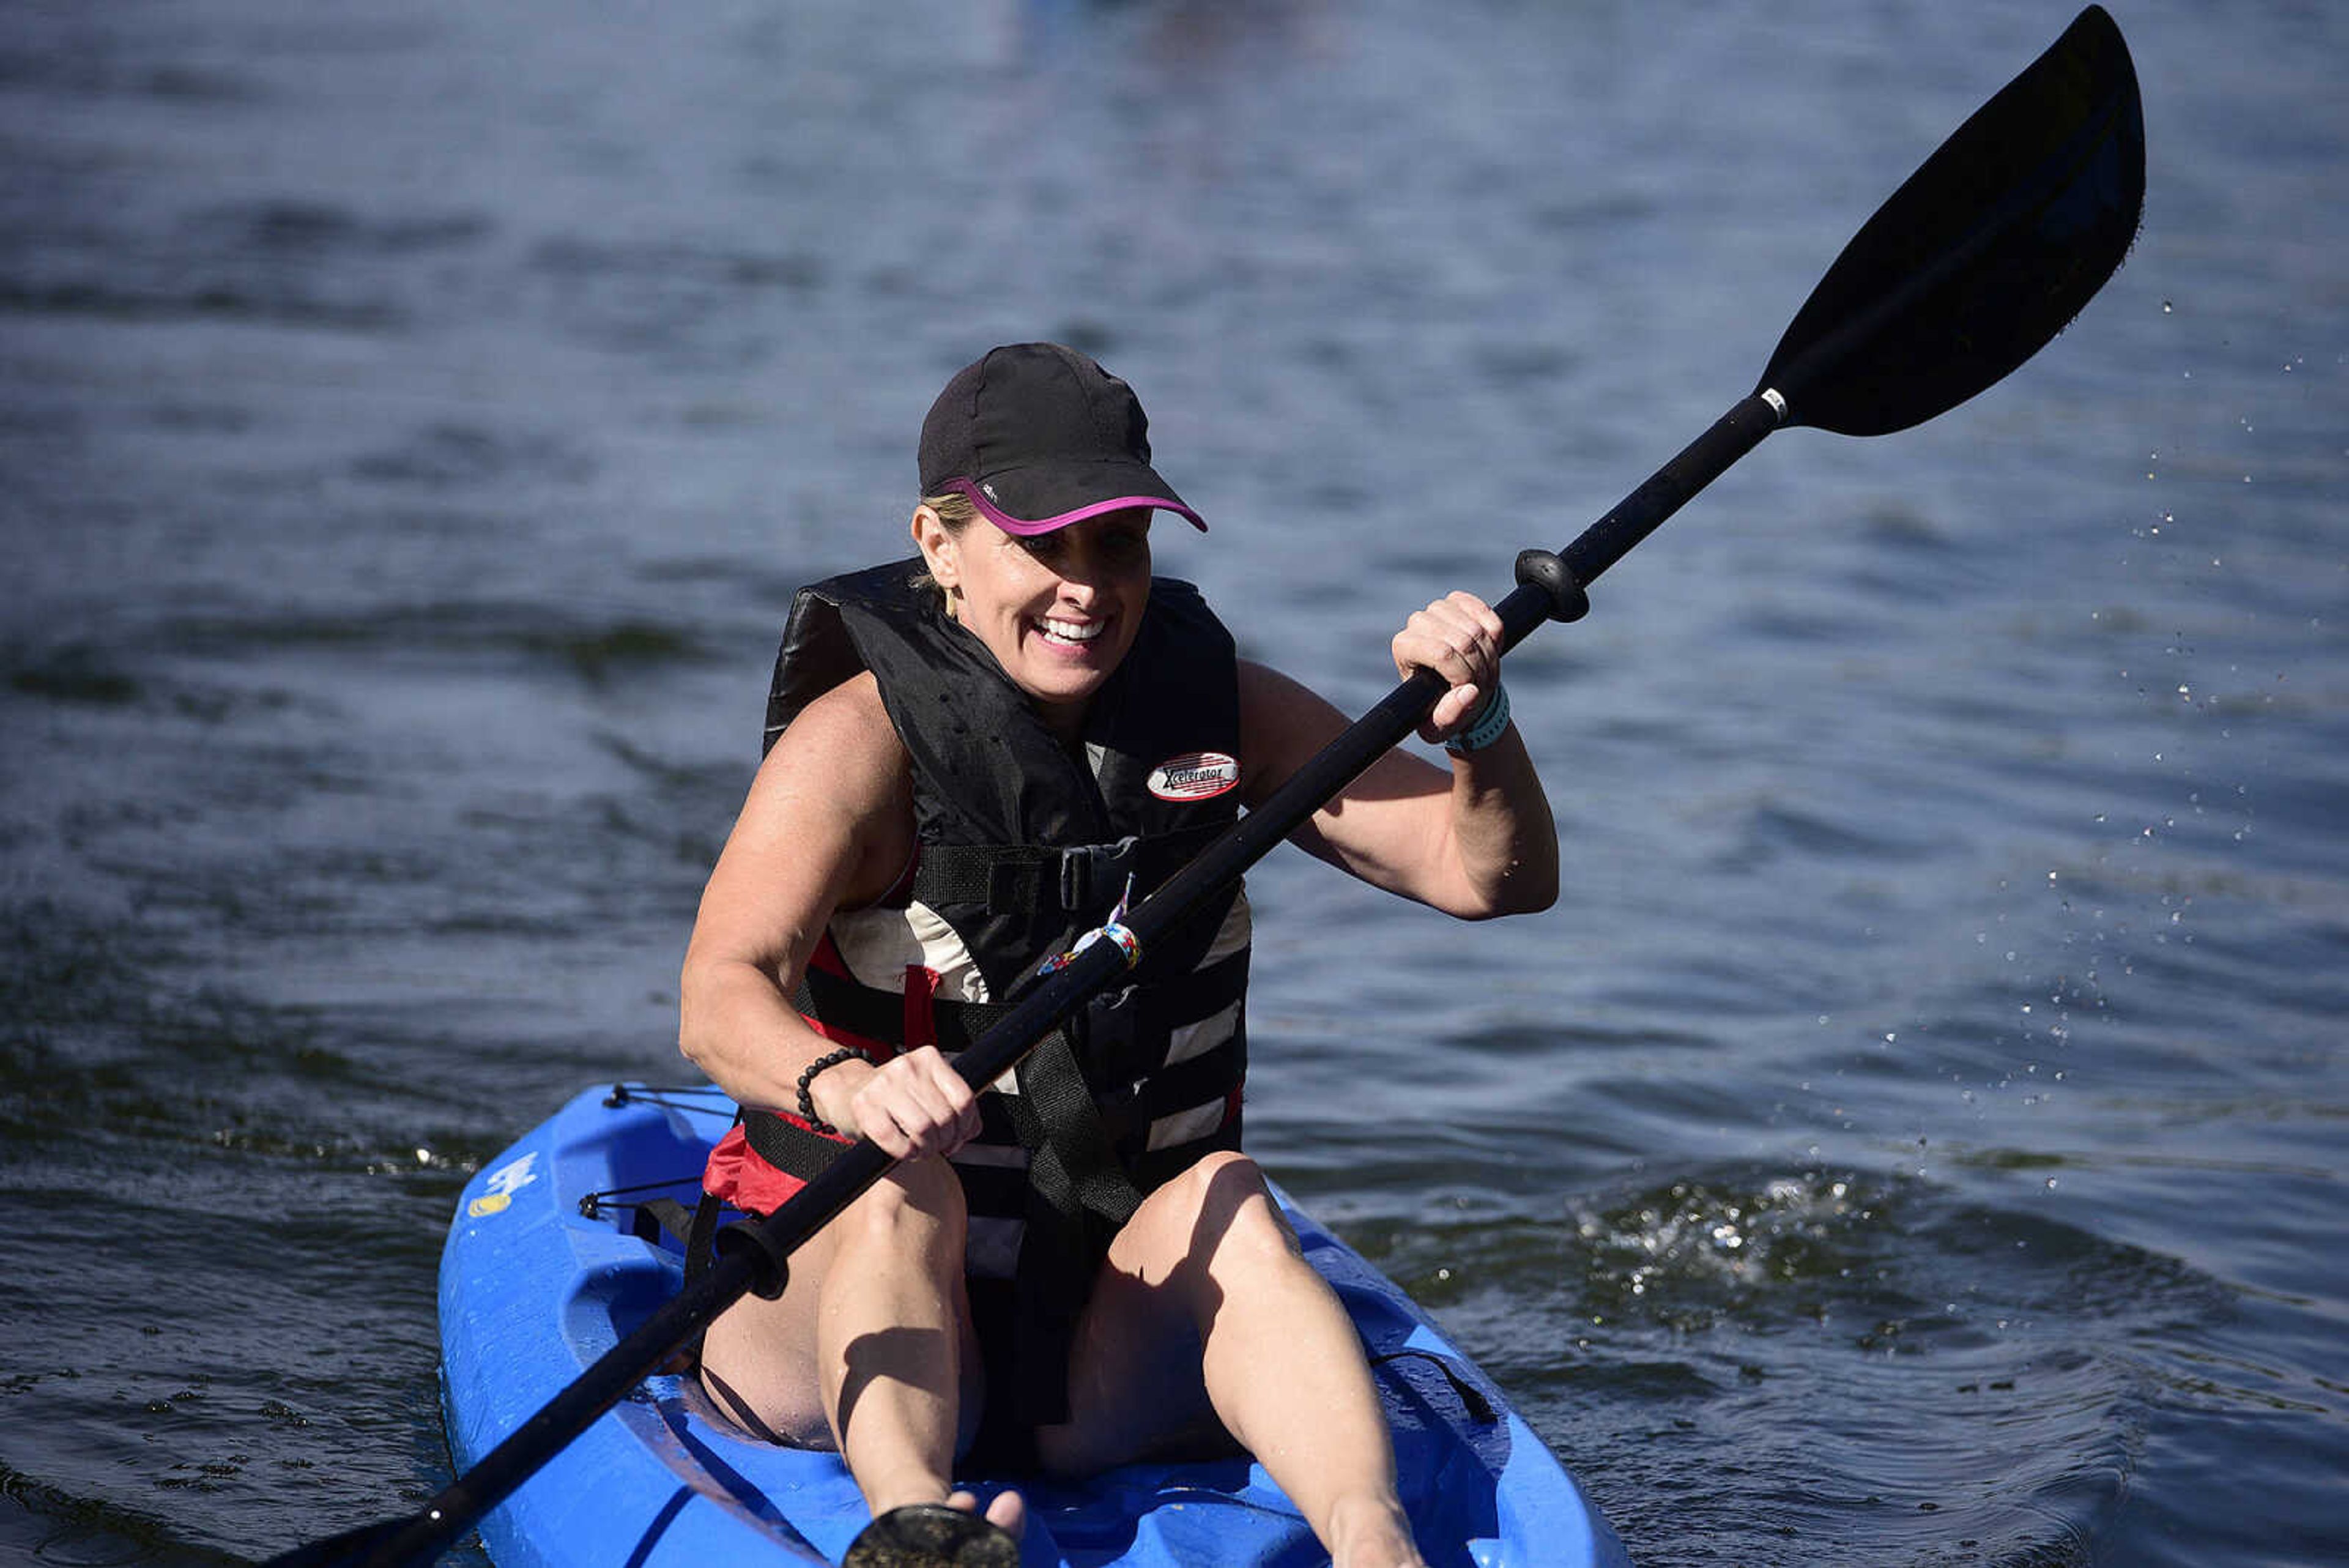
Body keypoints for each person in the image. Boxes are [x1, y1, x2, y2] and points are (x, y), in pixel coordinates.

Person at [678, 343, 1558, 1568]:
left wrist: (1486, 732)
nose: (1088, 586)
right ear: (938, 547)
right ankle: (914, 1530)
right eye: (1047, 544)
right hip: (838, 1313)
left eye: (1120, 543)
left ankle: (1374, 1543)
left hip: (1087, 1329)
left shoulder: (1222, 711)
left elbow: (1487, 877)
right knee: (903, 1187)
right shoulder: (856, 744)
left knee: (1231, 1199)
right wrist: (850, 1085)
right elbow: (718, 995)